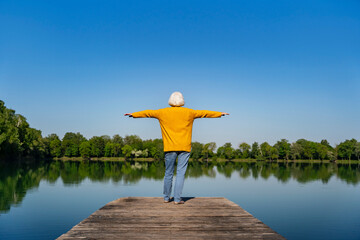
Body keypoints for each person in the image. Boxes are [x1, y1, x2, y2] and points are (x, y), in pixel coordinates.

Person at [125, 92, 229, 204]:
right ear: (182, 100)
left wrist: (134, 114)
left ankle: (166, 198)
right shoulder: (190, 112)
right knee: (180, 173)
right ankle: (177, 199)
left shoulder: (162, 112)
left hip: (169, 147)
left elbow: (148, 113)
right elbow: (205, 113)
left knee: (168, 173)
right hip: (184, 147)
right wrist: (219, 114)